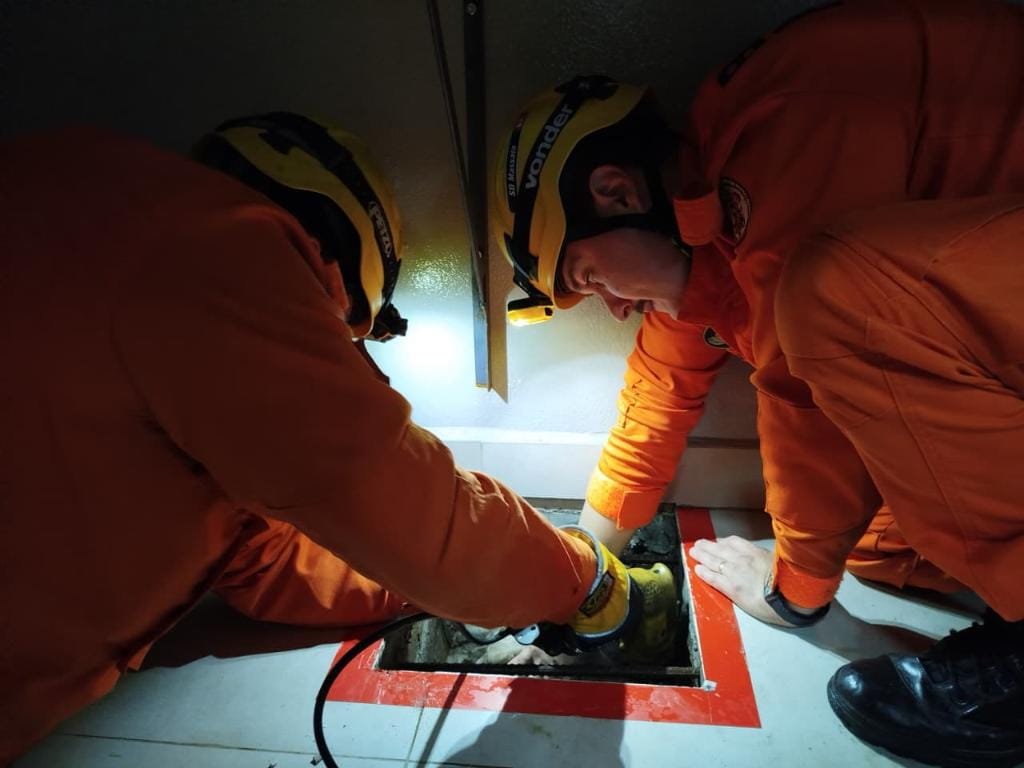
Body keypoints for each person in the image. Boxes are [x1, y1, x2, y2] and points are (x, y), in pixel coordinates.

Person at [0, 112, 672, 764]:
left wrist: (441, 584)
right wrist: (583, 580)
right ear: (327, 271)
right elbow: (387, 498)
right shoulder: (215, 254)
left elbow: (262, 558)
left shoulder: (104, 208)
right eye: (334, 332)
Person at [492, 0, 1023, 764]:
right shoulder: (715, 210)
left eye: (590, 276)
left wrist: (795, 597)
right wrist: (583, 562)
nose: (613, 307)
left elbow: (802, 393)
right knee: (872, 538)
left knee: (831, 295)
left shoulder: (784, 139)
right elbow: (658, 394)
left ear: (616, 192)